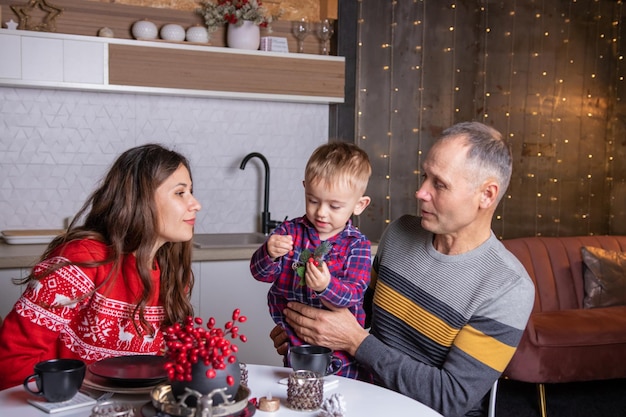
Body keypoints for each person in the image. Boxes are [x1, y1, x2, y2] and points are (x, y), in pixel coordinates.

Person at [270, 122, 536, 417]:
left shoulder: (508, 287)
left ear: (486, 195)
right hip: (362, 394)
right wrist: (306, 329)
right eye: (425, 176)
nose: (421, 192)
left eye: (439, 183)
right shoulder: (400, 233)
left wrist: (356, 342)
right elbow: (358, 311)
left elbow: (450, 398)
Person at [0, 144, 202, 390]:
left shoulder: (171, 270)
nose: (195, 204)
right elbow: (13, 360)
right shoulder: (81, 260)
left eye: (190, 191)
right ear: (141, 199)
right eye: (180, 193)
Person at [250, 142, 372, 380]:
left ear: (359, 205)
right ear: (305, 188)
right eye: (313, 200)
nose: (321, 212)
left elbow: (354, 294)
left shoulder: (357, 245)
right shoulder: (289, 231)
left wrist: (326, 286)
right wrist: (269, 253)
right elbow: (260, 274)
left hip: (342, 356)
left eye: (334, 205)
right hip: (297, 347)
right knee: (299, 395)